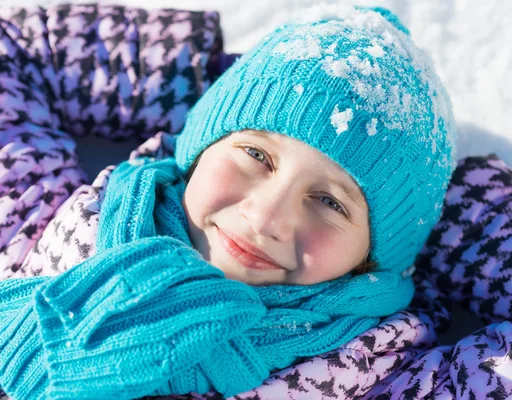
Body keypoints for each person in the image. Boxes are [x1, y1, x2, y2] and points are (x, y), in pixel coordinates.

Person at [0, 4, 455, 399]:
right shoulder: (35, 217)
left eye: (331, 203)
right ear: (199, 151)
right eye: (256, 154)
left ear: (371, 260)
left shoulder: (377, 374)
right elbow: (14, 49)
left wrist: (478, 218)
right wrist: (202, 72)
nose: (265, 216)